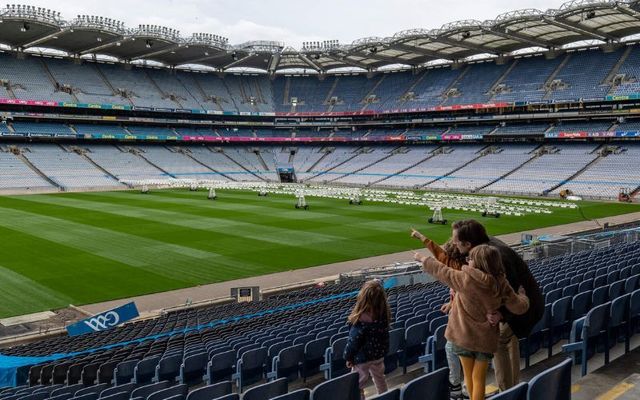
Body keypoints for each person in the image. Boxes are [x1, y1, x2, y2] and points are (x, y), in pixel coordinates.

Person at [414, 244, 530, 400]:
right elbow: (519, 307)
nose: (468, 261)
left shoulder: (465, 278)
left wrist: (422, 258)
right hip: (485, 340)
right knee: (478, 378)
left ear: (478, 262)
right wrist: (523, 295)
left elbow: (442, 271)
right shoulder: (501, 283)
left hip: (462, 337)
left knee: (469, 377)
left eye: (470, 258)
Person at [449, 220, 544, 391]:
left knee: (498, 341)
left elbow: (512, 290)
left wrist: (502, 314)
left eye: (456, 241)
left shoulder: (496, 255)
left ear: (468, 244)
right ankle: (514, 388)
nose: (453, 244)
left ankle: (507, 391)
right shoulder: (486, 246)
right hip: (524, 303)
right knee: (509, 340)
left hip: (525, 306)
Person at [411, 229, 468, 399]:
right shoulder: (463, 269)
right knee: (461, 352)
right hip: (464, 318)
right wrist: (451, 303)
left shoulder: (456, 270)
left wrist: (422, 256)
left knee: (454, 348)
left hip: (464, 321)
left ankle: (457, 386)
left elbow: (439, 256)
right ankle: (462, 387)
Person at [344, 280, 391, 400]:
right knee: (380, 379)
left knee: (358, 385)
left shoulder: (360, 320)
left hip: (362, 358)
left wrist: (348, 357)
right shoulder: (383, 315)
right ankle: (385, 397)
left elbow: (353, 343)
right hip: (378, 355)